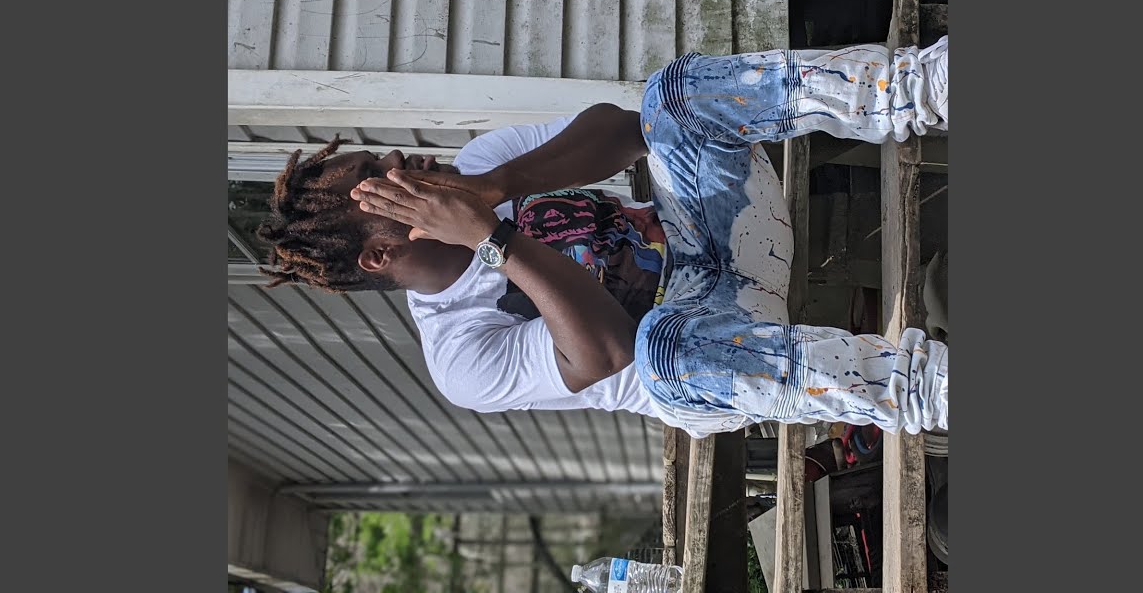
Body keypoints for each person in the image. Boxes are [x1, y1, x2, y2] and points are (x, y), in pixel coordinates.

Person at [257, 38, 949, 438]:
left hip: (716, 227)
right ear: (380, 253)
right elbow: (608, 351)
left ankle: (918, 87)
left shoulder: (480, 166)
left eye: (382, 154)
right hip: (715, 346)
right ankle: (928, 390)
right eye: (378, 178)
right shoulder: (458, 354)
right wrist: (491, 237)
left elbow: (624, 132)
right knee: (661, 352)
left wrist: (499, 184)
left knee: (670, 94)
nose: (400, 159)